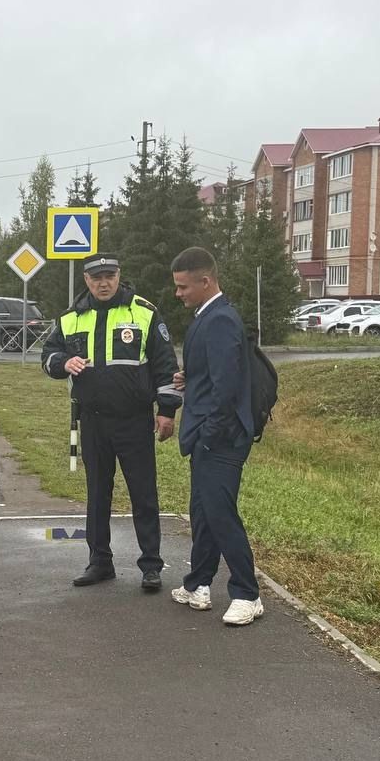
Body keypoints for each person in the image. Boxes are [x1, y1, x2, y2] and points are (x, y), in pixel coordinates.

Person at [41, 252, 182, 591]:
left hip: (134, 421)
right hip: (93, 422)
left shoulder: (143, 312)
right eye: (96, 277)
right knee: (97, 495)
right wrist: (63, 362)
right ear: (86, 280)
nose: (103, 283)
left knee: (143, 494)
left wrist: (166, 411)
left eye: (109, 276)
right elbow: (47, 357)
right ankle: (100, 562)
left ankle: (151, 566)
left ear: (119, 276)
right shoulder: (70, 318)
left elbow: (165, 365)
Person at [168, 247, 263, 626]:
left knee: (221, 514)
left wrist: (208, 435)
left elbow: (226, 391)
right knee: (203, 512)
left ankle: (247, 593)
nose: (178, 293)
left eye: (183, 286)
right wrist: (190, 380)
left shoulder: (221, 320)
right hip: (209, 434)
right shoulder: (207, 317)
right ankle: (198, 584)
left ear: (205, 281)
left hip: (221, 438)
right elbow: (216, 376)